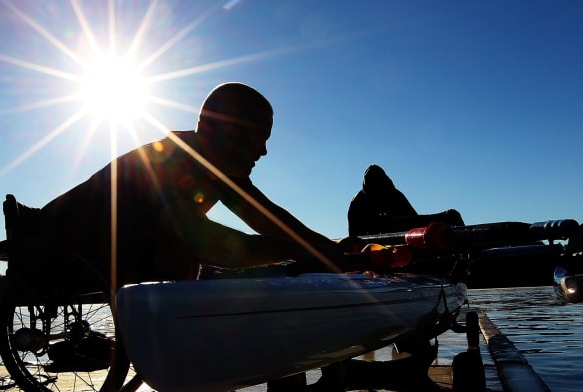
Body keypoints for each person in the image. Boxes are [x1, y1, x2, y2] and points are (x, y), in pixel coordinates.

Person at [37, 82, 353, 290]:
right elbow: (206, 244)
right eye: (259, 139)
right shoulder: (169, 161)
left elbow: (272, 220)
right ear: (226, 133)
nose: (263, 151)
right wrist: (297, 252)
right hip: (63, 247)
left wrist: (332, 249)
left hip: (121, 250)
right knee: (181, 245)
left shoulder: (213, 165)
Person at [347, 164, 464, 237]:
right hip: (375, 250)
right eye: (375, 195)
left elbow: (415, 223)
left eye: (382, 194)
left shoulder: (395, 196)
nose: (379, 199)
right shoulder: (357, 205)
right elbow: (355, 241)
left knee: (452, 215)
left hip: (403, 240)